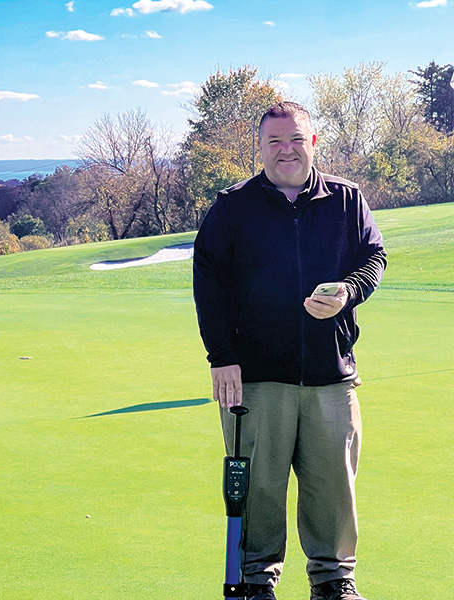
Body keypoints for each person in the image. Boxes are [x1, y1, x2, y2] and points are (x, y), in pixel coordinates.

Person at [192, 102, 387, 600]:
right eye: (274, 141)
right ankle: (256, 580)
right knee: (258, 488)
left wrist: (348, 291)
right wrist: (221, 356)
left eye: (296, 139)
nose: (286, 150)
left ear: (313, 142)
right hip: (255, 376)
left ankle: (333, 580)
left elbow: (374, 257)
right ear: (259, 148)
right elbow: (209, 282)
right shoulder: (232, 206)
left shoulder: (347, 200)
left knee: (333, 489)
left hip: (331, 372)